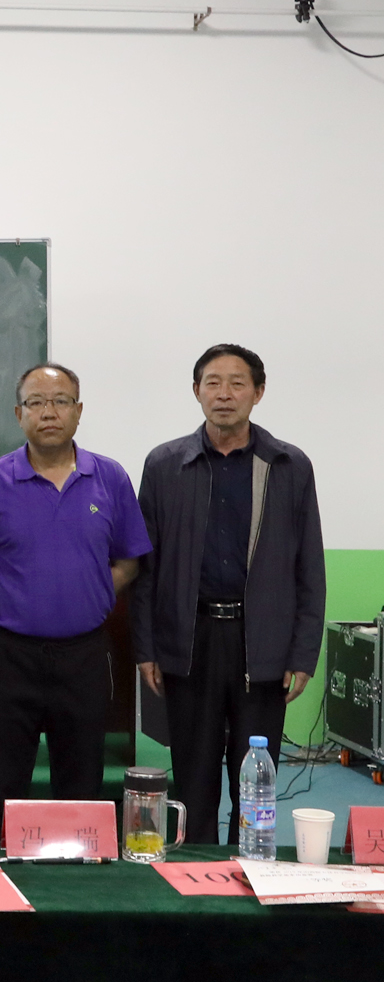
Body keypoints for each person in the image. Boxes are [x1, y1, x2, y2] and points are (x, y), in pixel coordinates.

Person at [132, 344, 324, 844]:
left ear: (258, 393)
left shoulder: (288, 465)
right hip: (189, 641)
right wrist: (146, 648)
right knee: (192, 776)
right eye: (213, 383)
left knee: (254, 778)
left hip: (261, 643)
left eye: (237, 383)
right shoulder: (165, 465)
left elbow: (309, 567)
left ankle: (250, 867)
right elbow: (146, 569)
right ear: (196, 391)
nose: (224, 394)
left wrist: (303, 654)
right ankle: (193, 871)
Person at [0, 363, 151, 840]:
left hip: (84, 656)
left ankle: (77, 881)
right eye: (36, 402)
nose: (48, 412)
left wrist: (86, 594)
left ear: (79, 410)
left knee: (82, 788)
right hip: (9, 656)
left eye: (60, 401)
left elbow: (129, 561)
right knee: (2, 789)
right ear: (18, 413)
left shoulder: (109, 477)